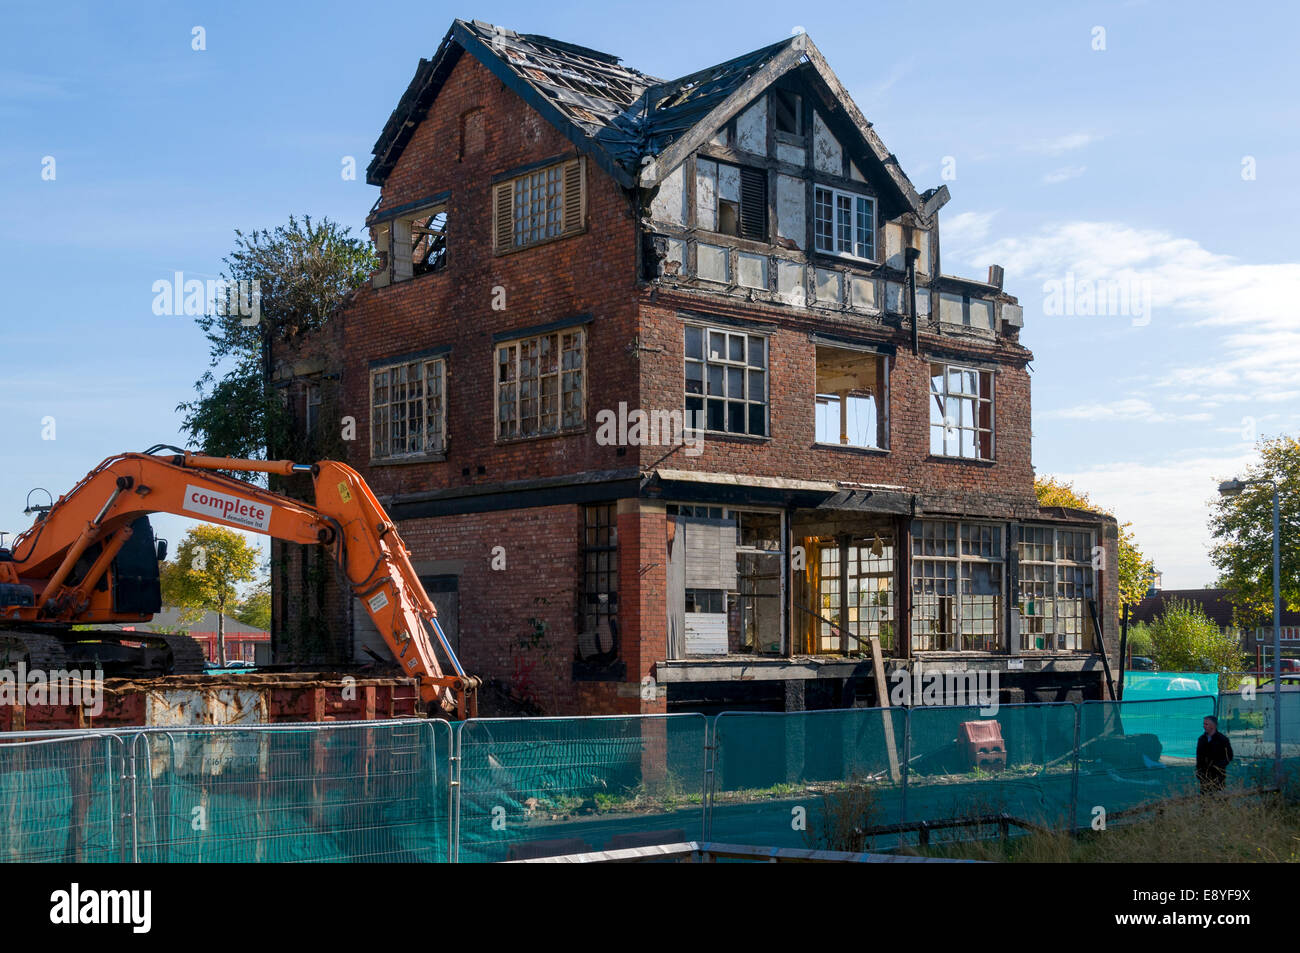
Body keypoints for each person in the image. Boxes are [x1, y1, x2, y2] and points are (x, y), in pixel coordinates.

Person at [1195, 715, 1233, 793]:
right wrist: (1198, 770)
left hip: (1218, 775)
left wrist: (1219, 766)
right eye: (1204, 724)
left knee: (1218, 798)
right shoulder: (1201, 739)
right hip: (1204, 775)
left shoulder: (1222, 740)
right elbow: (1199, 757)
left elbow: (1229, 756)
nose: (1204, 726)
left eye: (1206, 724)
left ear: (1213, 725)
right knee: (1205, 797)